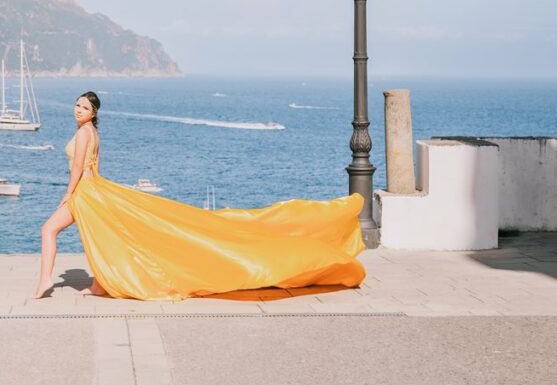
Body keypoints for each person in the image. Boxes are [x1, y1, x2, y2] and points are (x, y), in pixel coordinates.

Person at [34, 91, 366, 301]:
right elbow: (97, 166)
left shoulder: (82, 135)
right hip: (97, 191)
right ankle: (99, 284)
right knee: (105, 236)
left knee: (49, 230)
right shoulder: (94, 133)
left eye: (84, 107)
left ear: (93, 112)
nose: (78, 110)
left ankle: (47, 280)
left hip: (85, 192)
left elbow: (78, 167)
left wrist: (68, 194)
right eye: (77, 105)